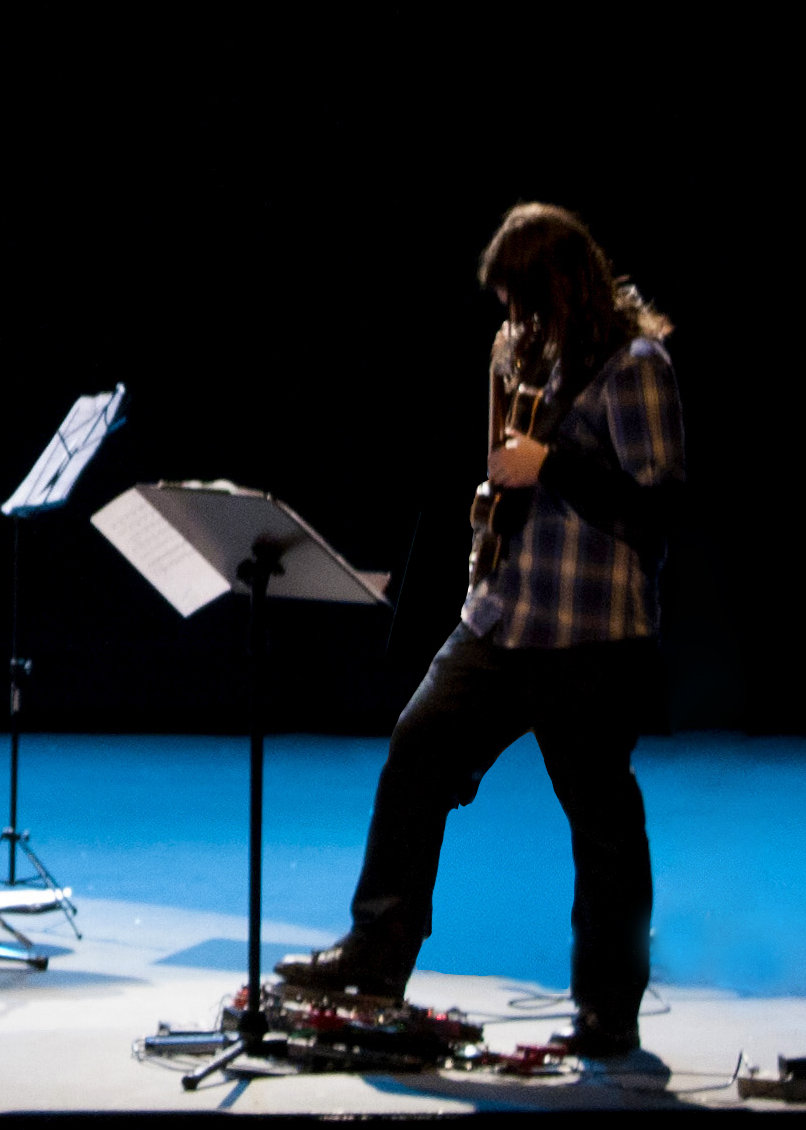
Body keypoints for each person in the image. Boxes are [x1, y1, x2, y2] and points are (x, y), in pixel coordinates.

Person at [279, 204, 687, 1059]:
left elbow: (657, 506)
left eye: (524, 301)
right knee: (416, 753)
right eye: (505, 304)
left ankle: (608, 1006)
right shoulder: (512, 350)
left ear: (563, 288)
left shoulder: (634, 364)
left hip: (591, 629)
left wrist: (556, 466)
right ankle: (374, 958)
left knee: (600, 817)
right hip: (502, 613)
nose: (512, 321)